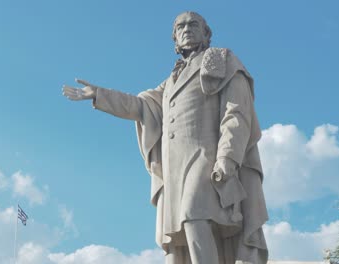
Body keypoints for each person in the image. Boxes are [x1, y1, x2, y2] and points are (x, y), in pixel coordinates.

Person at [63, 11, 268, 264]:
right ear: (175, 40)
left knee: (195, 214)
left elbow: (236, 112)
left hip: (205, 158)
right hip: (174, 170)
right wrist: (98, 94)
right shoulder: (169, 83)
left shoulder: (222, 61)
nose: (187, 29)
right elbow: (139, 106)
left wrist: (228, 156)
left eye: (194, 24)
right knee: (175, 240)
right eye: (180, 26)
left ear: (207, 33)